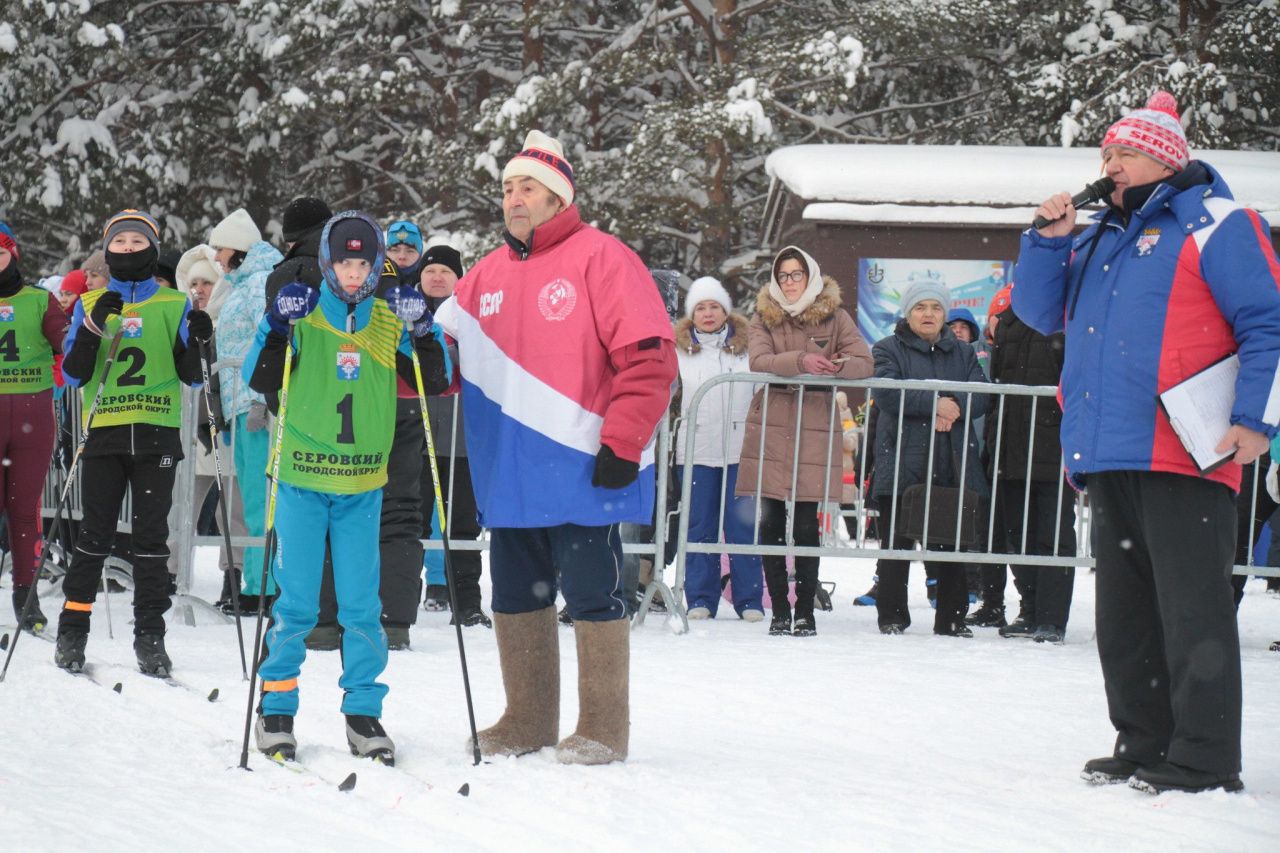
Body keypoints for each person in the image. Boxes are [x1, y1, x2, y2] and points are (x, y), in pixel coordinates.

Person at [1014, 91, 1280, 795]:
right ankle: (1142, 742)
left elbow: (1269, 323)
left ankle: (1205, 756)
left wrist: (1257, 419)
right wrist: (1047, 241)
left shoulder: (1220, 224)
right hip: (1109, 448)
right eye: (1106, 153)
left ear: (1164, 161)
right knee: (1125, 615)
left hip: (1190, 447)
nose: (1110, 164)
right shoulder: (1099, 235)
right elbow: (1038, 313)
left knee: (1194, 610)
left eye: (1125, 153)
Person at [434, 130, 676, 765]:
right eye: (507, 188)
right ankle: (527, 720)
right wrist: (409, 352)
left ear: (558, 198)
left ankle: (603, 727)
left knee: (593, 594)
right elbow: (440, 357)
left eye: (528, 188)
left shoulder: (604, 258)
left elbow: (650, 359)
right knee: (516, 594)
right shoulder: (483, 274)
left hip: (581, 465)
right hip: (510, 471)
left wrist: (624, 440)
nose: (514, 199)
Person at [243, 210, 449, 763]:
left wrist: (423, 329)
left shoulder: (386, 320)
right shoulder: (305, 313)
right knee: (297, 604)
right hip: (303, 481)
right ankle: (276, 707)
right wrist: (277, 325)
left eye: (363, 265)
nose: (354, 275)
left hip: (361, 485)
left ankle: (363, 711)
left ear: (377, 265)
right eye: (343, 264)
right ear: (327, 264)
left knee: (361, 606)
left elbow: (435, 381)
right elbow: (259, 378)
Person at [54, 209, 211, 676]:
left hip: (156, 432)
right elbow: (73, 374)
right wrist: (92, 327)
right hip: (104, 433)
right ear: (107, 251)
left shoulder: (174, 303)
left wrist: (201, 340)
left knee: (150, 540)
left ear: (152, 249)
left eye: (136, 242)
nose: (127, 249)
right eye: (119, 243)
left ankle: (150, 636)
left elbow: (192, 378)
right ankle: (73, 629)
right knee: (94, 536)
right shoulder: (91, 302)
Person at [736, 246, 873, 637]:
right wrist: (801, 361)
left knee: (807, 524)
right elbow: (759, 360)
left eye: (796, 274)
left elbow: (864, 362)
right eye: (783, 275)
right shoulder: (764, 315)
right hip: (773, 422)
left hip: (814, 421)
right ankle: (780, 609)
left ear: (810, 276)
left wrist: (836, 367)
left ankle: (806, 611)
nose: (789, 282)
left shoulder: (836, 315)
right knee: (771, 520)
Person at [870, 275, 989, 638]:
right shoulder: (887, 348)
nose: (928, 314)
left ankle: (951, 618)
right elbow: (888, 393)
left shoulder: (964, 352)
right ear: (908, 312)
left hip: (949, 461)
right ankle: (892, 615)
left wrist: (952, 406)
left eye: (936, 307)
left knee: (951, 544)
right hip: (901, 459)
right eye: (920, 307)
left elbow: (982, 395)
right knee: (896, 545)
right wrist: (935, 403)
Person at [971, 300, 1077, 643]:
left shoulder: (1069, 316)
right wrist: (993, 440)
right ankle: (1030, 610)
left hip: (1054, 447)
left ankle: (1052, 618)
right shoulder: (1008, 322)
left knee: (1054, 536)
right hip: (1009, 446)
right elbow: (998, 387)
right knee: (1017, 536)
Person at [673, 276, 763, 620]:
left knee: (742, 526)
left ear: (726, 311)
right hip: (695, 450)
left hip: (740, 450)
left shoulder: (747, 348)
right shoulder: (677, 350)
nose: (708, 314)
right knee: (699, 525)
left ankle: (749, 600)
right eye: (700, 308)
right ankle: (700, 598)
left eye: (714, 306)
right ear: (691, 314)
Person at [208, 208, 283, 610]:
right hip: (240, 404)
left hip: (254, 407)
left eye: (220, 248)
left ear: (237, 248)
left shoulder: (258, 283)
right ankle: (258, 582)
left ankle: (262, 586)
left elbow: (267, 338)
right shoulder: (242, 283)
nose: (216, 257)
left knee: (259, 498)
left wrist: (258, 398)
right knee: (254, 496)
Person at [416, 243, 490, 626]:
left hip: (462, 440)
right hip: (415, 438)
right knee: (409, 523)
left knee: (463, 526)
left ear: (459, 279)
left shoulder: (470, 317)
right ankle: (397, 604)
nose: (437, 277)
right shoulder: (402, 314)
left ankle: (467, 604)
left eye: (446, 271)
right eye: (430, 270)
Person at [0, 223, 67, 632]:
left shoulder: (39, 299)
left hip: (32, 414)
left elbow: (68, 345)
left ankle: (26, 596)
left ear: (13, 254)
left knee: (24, 510)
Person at [265, 196, 332, 303]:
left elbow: (273, 314)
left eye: (289, 244)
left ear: (293, 239)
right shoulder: (355, 261)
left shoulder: (286, 275)